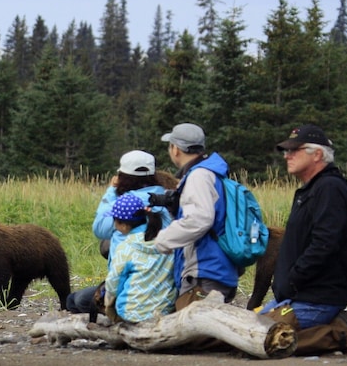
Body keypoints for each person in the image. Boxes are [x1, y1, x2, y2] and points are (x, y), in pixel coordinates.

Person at [258, 125, 347, 354]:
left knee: (263, 339)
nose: (287, 156)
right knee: (246, 329)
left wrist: (294, 279)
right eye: (286, 151)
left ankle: (342, 335)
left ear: (317, 154)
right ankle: (332, 324)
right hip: (297, 296)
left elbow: (326, 243)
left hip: (316, 298)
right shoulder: (312, 189)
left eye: (294, 150)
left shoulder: (330, 188)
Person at [65, 150, 173, 320]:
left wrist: (111, 190)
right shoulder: (167, 199)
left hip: (130, 305)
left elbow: (100, 228)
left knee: (75, 300)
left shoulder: (126, 206)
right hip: (164, 296)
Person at [153, 123, 238, 310]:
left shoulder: (199, 176)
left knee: (193, 327)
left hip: (205, 272)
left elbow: (199, 219)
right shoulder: (213, 173)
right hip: (218, 269)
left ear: (176, 149)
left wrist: (163, 240)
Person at [101, 193, 176, 324]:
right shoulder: (165, 240)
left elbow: (114, 283)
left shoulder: (126, 247)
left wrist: (107, 301)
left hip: (131, 314)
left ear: (123, 225)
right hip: (165, 310)